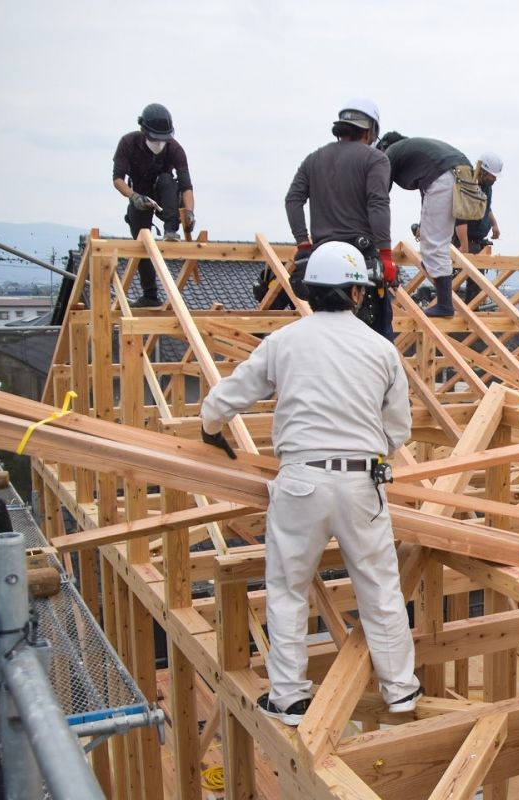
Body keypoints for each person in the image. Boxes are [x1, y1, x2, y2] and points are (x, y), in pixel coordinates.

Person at [199, 241, 421, 725]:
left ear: (310, 292)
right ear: (357, 294)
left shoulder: (285, 342)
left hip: (299, 482)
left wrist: (210, 427)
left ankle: (290, 698)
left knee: (286, 589)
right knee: (380, 589)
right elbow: (398, 429)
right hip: (362, 482)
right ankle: (401, 690)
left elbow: (230, 394)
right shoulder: (380, 348)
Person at [285, 99, 397, 340]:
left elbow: (293, 200)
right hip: (359, 257)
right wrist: (386, 254)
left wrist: (303, 244)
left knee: (325, 334)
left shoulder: (314, 158)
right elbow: (378, 203)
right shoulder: (375, 159)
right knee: (375, 337)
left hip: (321, 260)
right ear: (370, 130)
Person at [378, 132, 473, 317]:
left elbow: (380, 196)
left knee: (433, 245)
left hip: (444, 177)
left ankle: (445, 304)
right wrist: (424, 223)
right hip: (463, 173)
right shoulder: (418, 151)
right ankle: (437, 277)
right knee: (438, 243)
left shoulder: (390, 153)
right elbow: (428, 192)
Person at [112, 103, 196, 307]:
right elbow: (117, 179)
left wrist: (190, 212)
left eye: (163, 140)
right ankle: (150, 295)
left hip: (164, 192)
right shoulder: (128, 143)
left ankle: (170, 230)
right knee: (141, 241)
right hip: (138, 191)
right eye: (155, 139)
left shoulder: (175, 149)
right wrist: (134, 197)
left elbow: (186, 186)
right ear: (144, 132)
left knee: (167, 179)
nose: (159, 144)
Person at [454, 152, 504, 303]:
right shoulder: (469, 184)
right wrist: (464, 245)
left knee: (475, 286)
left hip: (478, 242)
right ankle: (449, 316)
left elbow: (486, 207)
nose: (494, 179)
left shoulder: (487, 187)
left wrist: (494, 224)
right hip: (463, 239)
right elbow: (460, 215)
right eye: (492, 176)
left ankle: (470, 318)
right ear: (482, 171)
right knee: (454, 281)